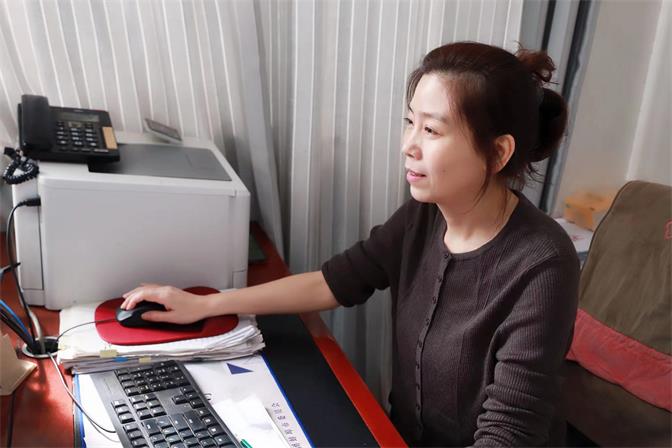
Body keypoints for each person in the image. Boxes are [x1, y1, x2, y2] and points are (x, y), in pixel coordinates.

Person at [122, 42, 580, 447]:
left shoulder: (543, 262)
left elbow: (509, 432)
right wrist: (207, 304)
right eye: (410, 122)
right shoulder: (424, 216)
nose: (409, 145)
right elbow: (333, 282)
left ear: (498, 152)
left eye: (432, 131)